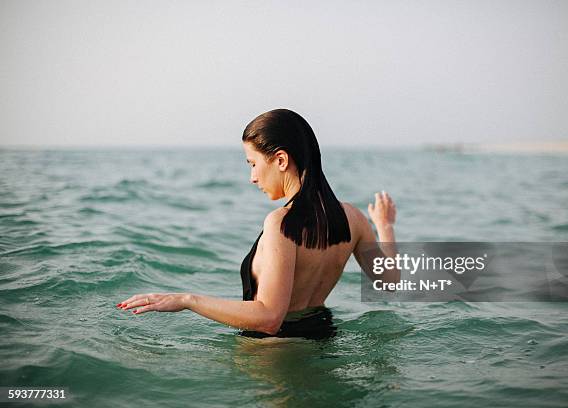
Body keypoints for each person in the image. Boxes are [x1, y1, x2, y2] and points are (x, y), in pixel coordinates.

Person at [117, 109, 398, 338]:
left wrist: (187, 300)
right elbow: (389, 285)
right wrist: (384, 226)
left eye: (252, 163)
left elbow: (269, 318)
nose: (252, 177)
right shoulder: (353, 218)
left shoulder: (281, 223)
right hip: (323, 338)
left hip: (275, 353)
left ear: (281, 160)